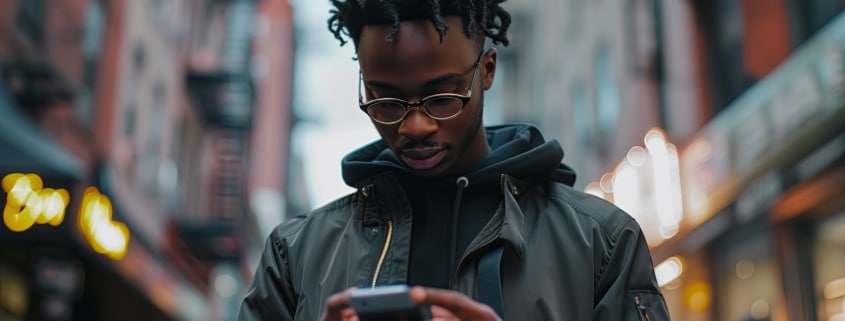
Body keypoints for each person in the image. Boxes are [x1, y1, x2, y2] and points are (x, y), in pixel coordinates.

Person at [238, 0, 671, 320]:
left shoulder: (602, 243)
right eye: (385, 100)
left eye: (442, 98)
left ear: (486, 71)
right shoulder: (295, 253)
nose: (415, 127)